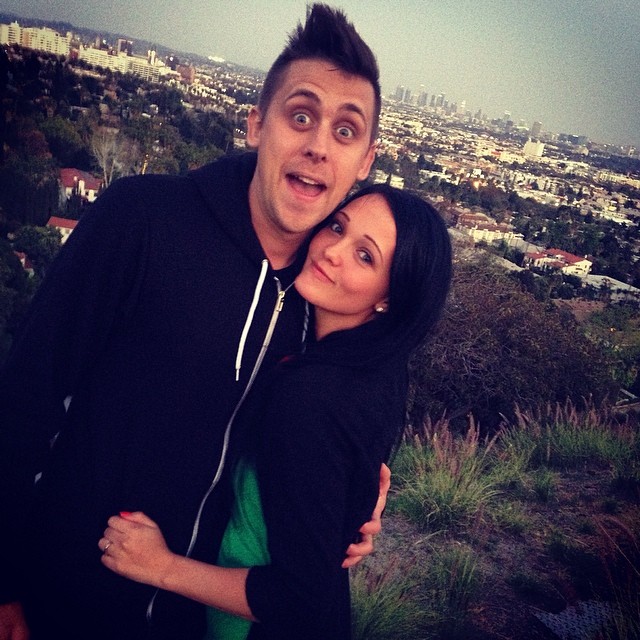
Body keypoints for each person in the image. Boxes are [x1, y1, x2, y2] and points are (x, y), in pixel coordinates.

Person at [0, 5, 390, 640]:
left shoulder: (325, 297)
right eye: (300, 116)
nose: (319, 145)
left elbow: (312, 441)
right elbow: (26, 397)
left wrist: (352, 506)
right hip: (64, 596)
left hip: (194, 618)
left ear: (365, 160)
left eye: (345, 131)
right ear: (256, 124)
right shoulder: (142, 221)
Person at [99, 184, 452, 639]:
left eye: (365, 256)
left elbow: (298, 600)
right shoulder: (375, 371)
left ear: (390, 297)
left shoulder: (313, 393)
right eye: (337, 227)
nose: (332, 252)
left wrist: (160, 567)